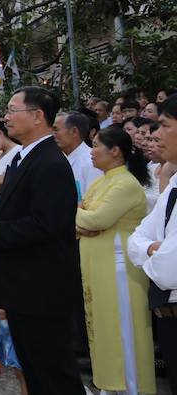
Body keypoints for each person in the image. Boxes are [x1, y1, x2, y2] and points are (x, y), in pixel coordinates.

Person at [0, 86, 84, 395]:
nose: (5, 117)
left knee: (54, 374)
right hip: (23, 289)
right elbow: (18, 212)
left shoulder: (50, 163)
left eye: (12, 110)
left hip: (41, 289)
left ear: (37, 116)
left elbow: (46, 224)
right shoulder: (25, 157)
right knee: (34, 372)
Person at [74, 125, 154, 394]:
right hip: (98, 266)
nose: (92, 151)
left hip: (118, 271)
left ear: (116, 151)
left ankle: (130, 388)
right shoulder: (102, 180)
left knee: (123, 332)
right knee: (102, 330)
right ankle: (109, 386)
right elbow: (81, 216)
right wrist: (81, 218)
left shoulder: (126, 184)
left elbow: (97, 219)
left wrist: (80, 216)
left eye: (96, 145)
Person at [129, 94, 177, 394]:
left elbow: (169, 270)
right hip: (167, 315)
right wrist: (151, 249)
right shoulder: (173, 183)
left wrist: (156, 252)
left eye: (164, 125)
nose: (155, 135)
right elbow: (137, 237)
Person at [52, 111, 99, 200]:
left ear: (74, 131)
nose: (52, 134)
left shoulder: (91, 162)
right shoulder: (58, 159)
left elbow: (92, 202)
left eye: (56, 129)